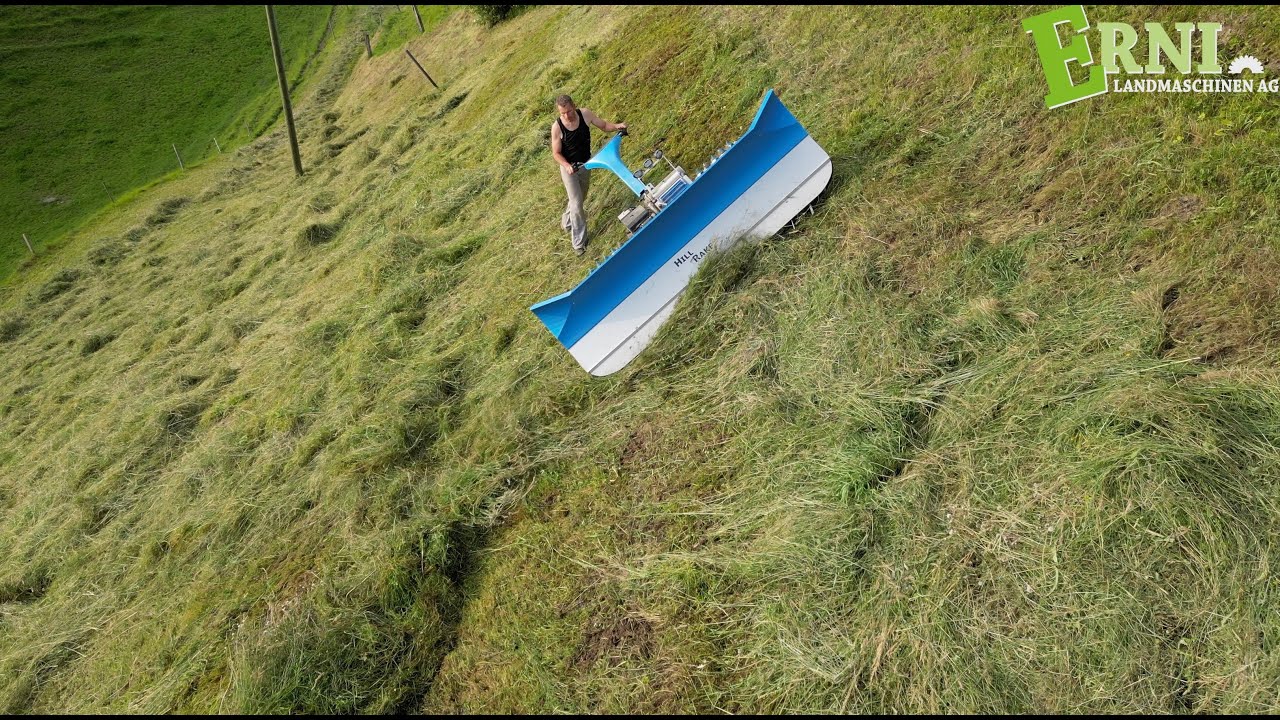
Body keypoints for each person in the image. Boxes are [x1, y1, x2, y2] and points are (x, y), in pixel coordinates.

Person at [550, 94, 626, 256]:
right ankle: (579, 243)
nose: (566, 116)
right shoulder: (557, 127)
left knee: (580, 198)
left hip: (585, 165)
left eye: (569, 111)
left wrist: (617, 126)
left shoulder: (585, 114)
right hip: (568, 169)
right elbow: (556, 153)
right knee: (577, 204)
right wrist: (566, 165)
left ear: (574, 106)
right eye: (562, 113)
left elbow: (604, 125)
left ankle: (566, 221)